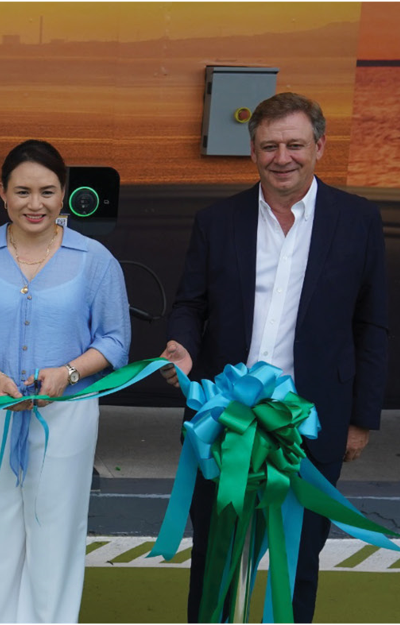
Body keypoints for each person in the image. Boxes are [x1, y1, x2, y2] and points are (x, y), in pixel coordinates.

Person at [161, 92, 388, 623]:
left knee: (299, 555)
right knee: (215, 556)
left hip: (311, 419)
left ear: (320, 146)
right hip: (224, 416)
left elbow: (372, 325)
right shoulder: (217, 220)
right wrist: (183, 348)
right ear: (252, 151)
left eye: (294, 144)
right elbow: (191, 304)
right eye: (269, 145)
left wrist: (361, 419)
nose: (281, 157)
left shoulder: (358, 221)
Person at [0, 140, 131, 623]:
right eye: (22, 191)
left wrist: (67, 372)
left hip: (65, 415)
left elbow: (115, 340)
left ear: (64, 193)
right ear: (1, 192)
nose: (35, 204)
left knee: (56, 529)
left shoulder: (94, 259)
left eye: (47, 191)